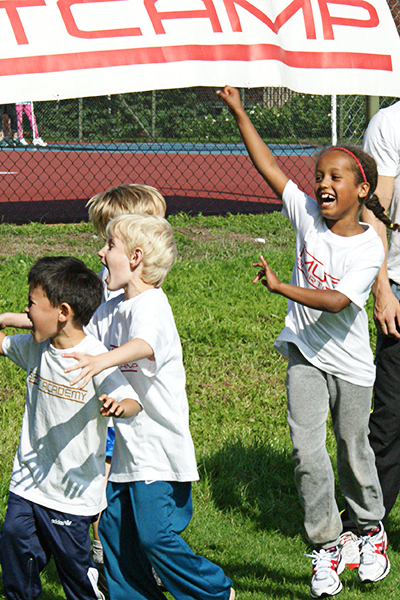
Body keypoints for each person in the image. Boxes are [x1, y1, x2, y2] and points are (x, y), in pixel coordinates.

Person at [219, 85, 395, 597]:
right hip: (304, 353)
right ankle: (326, 544)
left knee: (353, 448)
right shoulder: (306, 217)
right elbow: (269, 166)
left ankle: (370, 529)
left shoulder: (369, 247)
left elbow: (336, 301)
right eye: (319, 176)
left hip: (351, 367)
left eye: (335, 177)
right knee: (307, 452)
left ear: (361, 189)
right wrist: (239, 111)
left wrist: (281, 288)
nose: (322, 184)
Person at [0, 256, 140, 600]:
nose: (26, 311)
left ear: (63, 312)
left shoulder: (94, 357)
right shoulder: (36, 349)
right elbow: (0, 342)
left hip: (72, 494)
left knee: (75, 573)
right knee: (14, 545)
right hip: (29, 481)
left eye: (32, 304)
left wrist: (119, 407)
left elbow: (132, 400)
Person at [63, 213, 234, 600]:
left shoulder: (152, 305)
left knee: (155, 537)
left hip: (158, 449)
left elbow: (144, 345)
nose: (101, 253)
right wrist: (14, 321)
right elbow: (72, 331)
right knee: (112, 531)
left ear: (136, 257)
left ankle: (216, 592)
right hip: (127, 450)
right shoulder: (111, 308)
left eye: (110, 246)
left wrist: (101, 361)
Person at [363, 101, 400, 524]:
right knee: (392, 416)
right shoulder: (389, 124)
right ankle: (368, 526)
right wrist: (383, 287)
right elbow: (375, 210)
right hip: (399, 287)